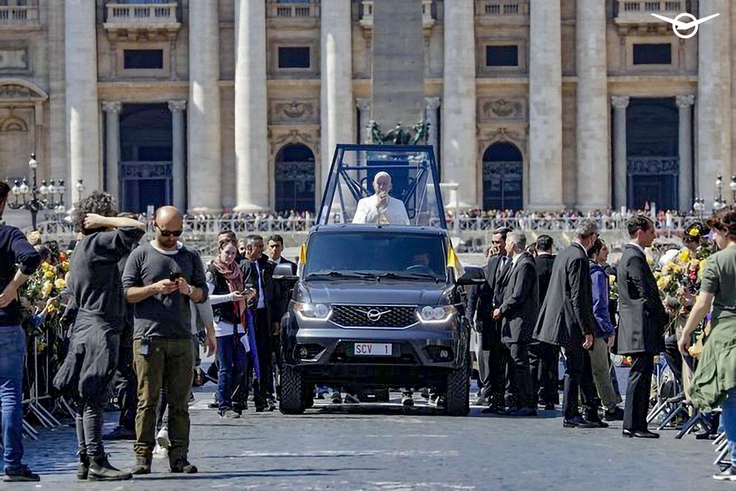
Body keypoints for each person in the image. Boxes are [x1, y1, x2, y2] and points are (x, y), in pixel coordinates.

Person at [53, 193, 145, 481]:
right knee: (94, 398)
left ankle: (85, 460)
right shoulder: (99, 243)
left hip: (84, 327)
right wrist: (106, 220)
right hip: (100, 329)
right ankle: (97, 460)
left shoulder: (82, 246)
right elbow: (137, 228)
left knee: (83, 400)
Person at [122, 206, 211, 475]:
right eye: (167, 232)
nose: (172, 237)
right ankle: (142, 457)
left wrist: (189, 290)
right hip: (148, 337)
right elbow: (127, 293)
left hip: (182, 338)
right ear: (154, 226)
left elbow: (203, 294)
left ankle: (179, 457)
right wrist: (154, 288)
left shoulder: (191, 255)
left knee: (180, 403)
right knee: (147, 400)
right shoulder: (140, 255)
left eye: (177, 232)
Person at [678, 209, 736, 481]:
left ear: (726, 232)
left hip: (727, 336)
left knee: (731, 398)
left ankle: (735, 461)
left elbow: (703, 303)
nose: (712, 237)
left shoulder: (716, 261)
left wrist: (686, 333)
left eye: (715, 231)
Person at [534, 219, 604, 429]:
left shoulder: (564, 254)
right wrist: (587, 330)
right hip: (571, 322)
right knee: (574, 369)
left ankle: (591, 411)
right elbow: (578, 297)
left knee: (582, 367)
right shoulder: (579, 257)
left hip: (559, 318)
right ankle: (570, 413)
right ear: (591, 237)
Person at [0, 180, 41, 482]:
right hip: (5, 325)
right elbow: (30, 257)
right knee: (10, 395)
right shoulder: (9, 234)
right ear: (3, 204)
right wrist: (13, 287)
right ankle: (12, 463)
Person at [616, 215, 667, 438]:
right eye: (651, 231)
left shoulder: (629, 255)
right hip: (641, 325)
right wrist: (662, 315)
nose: (654, 235)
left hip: (635, 324)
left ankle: (635, 423)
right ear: (640, 232)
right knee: (640, 375)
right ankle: (634, 424)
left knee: (640, 373)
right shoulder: (635, 258)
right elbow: (645, 292)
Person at [493, 230, 538, 416]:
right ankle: (517, 402)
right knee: (515, 363)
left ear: (513, 244)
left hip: (519, 323)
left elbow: (518, 295)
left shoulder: (525, 264)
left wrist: (501, 309)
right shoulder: (516, 263)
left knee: (520, 364)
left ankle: (526, 403)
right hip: (512, 324)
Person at [207, 241, 253, 418]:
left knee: (242, 365)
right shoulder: (213, 272)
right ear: (220, 251)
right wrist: (229, 297)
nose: (230, 257)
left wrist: (247, 295)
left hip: (238, 324)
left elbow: (241, 291)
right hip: (221, 325)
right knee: (225, 368)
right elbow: (206, 298)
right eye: (227, 253)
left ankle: (234, 399)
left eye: (233, 253)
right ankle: (224, 405)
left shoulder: (237, 271)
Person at [466, 227, 510, 413]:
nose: (494, 246)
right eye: (492, 243)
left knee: (503, 360)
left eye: (498, 243)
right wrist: (471, 318)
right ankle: (489, 391)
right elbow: (473, 296)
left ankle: (501, 394)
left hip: (505, 320)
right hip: (487, 320)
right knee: (487, 358)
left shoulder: (512, 266)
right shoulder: (483, 271)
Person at [587, 238, 623, 421]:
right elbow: (599, 305)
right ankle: (610, 405)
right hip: (597, 330)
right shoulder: (598, 274)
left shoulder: (582, 270)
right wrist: (609, 330)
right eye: (604, 249)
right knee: (602, 369)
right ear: (595, 252)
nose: (607, 252)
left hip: (584, 328)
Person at [242, 234, 276, 411]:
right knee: (249, 357)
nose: (262, 250)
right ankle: (250, 394)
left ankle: (265, 395)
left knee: (265, 357)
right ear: (249, 248)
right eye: (259, 247)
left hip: (265, 315)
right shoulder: (242, 265)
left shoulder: (266, 265)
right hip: (249, 316)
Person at [529, 234, 558, 409]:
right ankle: (550, 397)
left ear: (536, 248)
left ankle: (533, 393)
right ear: (551, 247)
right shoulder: (557, 266)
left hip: (535, 317)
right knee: (551, 359)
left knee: (534, 358)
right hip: (553, 318)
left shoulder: (533, 266)